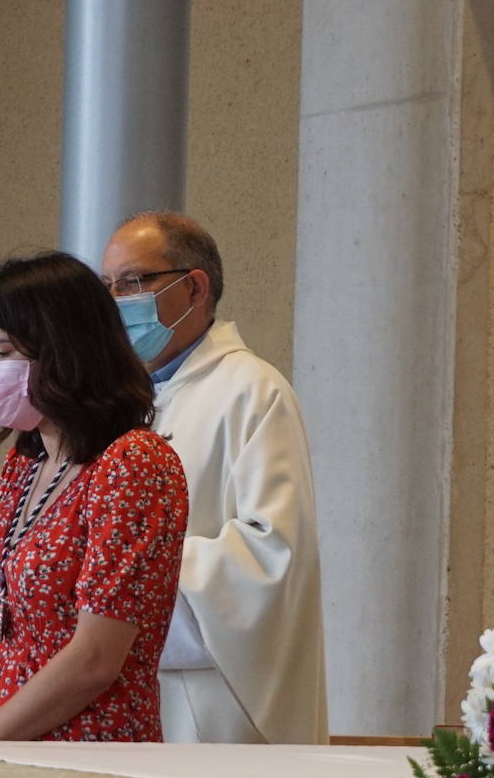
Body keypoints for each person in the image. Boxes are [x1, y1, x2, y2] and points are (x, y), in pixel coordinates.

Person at [102, 212, 327, 744]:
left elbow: (273, 556)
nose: (115, 302)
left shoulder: (251, 391)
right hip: (122, 693)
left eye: (131, 283)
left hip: (208, 699)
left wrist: (124, 579)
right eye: (106, 286)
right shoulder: (121, 404)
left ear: (194, 286)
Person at [0, 251, 188, 742]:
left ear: (63, 349)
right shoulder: (25, 464)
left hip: (87, 753)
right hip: (1, 749)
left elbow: (95, 658)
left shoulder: (133, 464)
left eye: (2, 352)